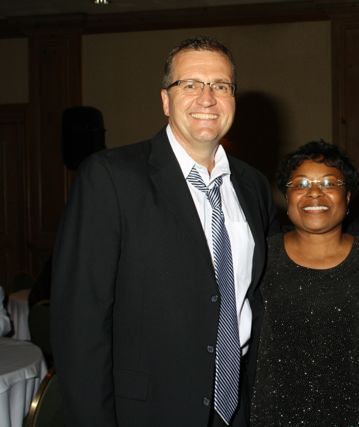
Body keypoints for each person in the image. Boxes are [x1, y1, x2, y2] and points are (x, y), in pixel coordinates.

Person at [51, 36, 277, 427]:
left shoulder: (253, 186)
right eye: (190, 84)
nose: (207, 98)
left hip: (238, 406)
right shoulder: (111, 178)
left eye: (220, 86)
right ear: (165, 100)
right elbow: (79, 324)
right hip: (146, 411)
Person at [250, 141, 359, 425]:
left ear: (348, 197)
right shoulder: (258, 257)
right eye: (300, 184)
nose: (314, 192)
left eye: (328, 183)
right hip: (271, 416)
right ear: (287, 198)